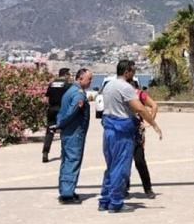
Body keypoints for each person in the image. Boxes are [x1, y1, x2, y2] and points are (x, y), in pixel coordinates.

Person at [98, 59, 162, 213]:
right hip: (122, 131)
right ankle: (116, 202)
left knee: (111, 166)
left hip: (108, 130)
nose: (134, 74)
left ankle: (105, 200)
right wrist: (153, 124)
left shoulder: (108, 86)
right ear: (126, 72)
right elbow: (139, 108)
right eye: (133, 71)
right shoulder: (125, 87)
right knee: (121, 168)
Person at [55, 68, 94, 203]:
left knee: (66, 161)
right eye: (89, 79)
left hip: (68, 133)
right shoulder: (78, 95)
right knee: (72, 161)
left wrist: (60, 125)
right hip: (74, 133)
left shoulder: (70, 91)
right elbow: (70, 113)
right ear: (80, 78)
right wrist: (60, 124)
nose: (90, 82)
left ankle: (65, 189)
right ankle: (67, 194)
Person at [125, 79, 157, 198]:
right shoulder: (120, 93)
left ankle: (148, 188)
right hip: (124, 130)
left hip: (137, 132)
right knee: (124, 160)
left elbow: (154, 106)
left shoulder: (139, 94)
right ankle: (124, 187)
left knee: (139, 160)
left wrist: (149, 122)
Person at [42, 68, 71, 163]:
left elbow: (45, 99)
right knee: (65, 132)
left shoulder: (51, 84)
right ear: (66, 75)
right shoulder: (67, 85)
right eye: (69, 75)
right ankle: (64, 153)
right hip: (62, 110)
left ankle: (45, 153)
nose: (69, 77)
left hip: (51, 109)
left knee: (49, 131)